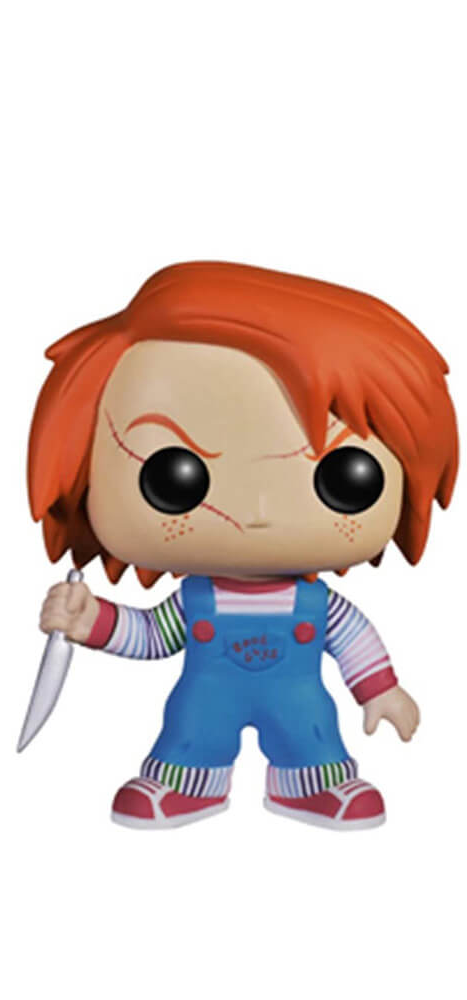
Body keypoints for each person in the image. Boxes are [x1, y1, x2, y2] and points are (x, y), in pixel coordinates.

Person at [29, 262, 458, 830]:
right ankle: (185, 784)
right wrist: (93, 622)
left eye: (343, 476)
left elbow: (354, 639)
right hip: (206, 698)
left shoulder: (318, 606)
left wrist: (380, 690)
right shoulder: (195, 601)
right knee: (191, 734)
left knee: (311, 734)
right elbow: (153, 636)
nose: (257, 509)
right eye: (174, 476)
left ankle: (313, 785)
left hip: (299, 700)